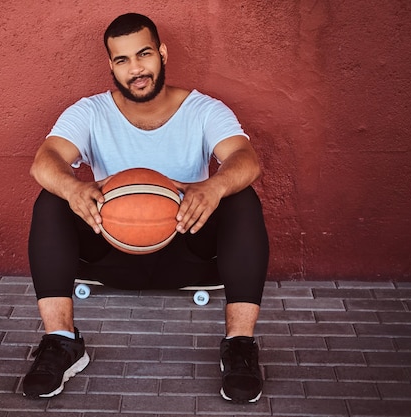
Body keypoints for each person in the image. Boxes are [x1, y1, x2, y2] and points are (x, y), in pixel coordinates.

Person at [23, 13, 269, 404]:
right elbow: (44, 160)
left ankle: (239, 347)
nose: (136, 69)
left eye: (144, 55)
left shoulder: (203, 110)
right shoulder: (90, 112)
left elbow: (245, 158)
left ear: (162, 53)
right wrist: (73, 189)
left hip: (189, 253)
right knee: (52, 197)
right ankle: (62, 342)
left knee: (241, 195)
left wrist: (212, 186)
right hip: (112, 252)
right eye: (122, 60)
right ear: (111, 65)